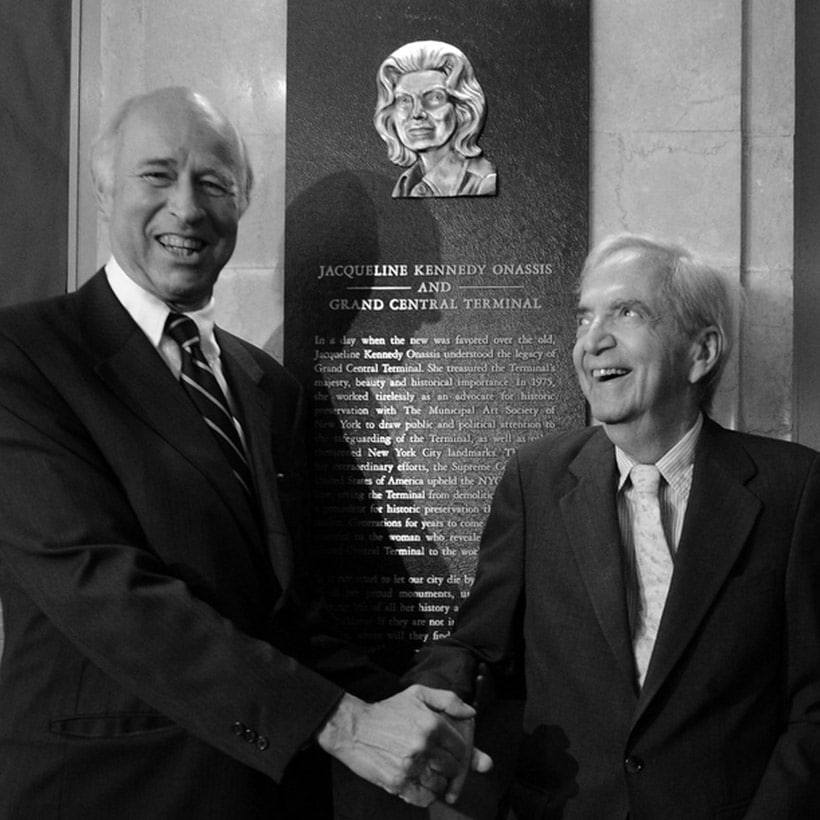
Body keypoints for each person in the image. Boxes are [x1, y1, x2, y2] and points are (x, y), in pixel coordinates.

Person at [0, 86, 490, 820]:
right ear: (104, 192)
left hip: (262, 793)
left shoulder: (269, 387)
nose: (188, 209)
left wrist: (407, 707)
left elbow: (283, 615)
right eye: (157, 175)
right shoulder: (24, 356)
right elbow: (101, 586)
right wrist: (348, 722)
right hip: (105, 791)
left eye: (215, 185)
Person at [409, 233, 820, 819]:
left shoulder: (794, 489)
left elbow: (813, 703)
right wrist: (426, 697)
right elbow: (480, 645)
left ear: (700, 352)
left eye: (627, 313)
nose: (591, 341)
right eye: (583, 318)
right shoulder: (536, 480)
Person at [374, 40, 497, 198]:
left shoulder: (482, 183)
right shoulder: (405, 184)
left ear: (462, 109)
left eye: (434, 98)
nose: (417, 113)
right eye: (404, 100)